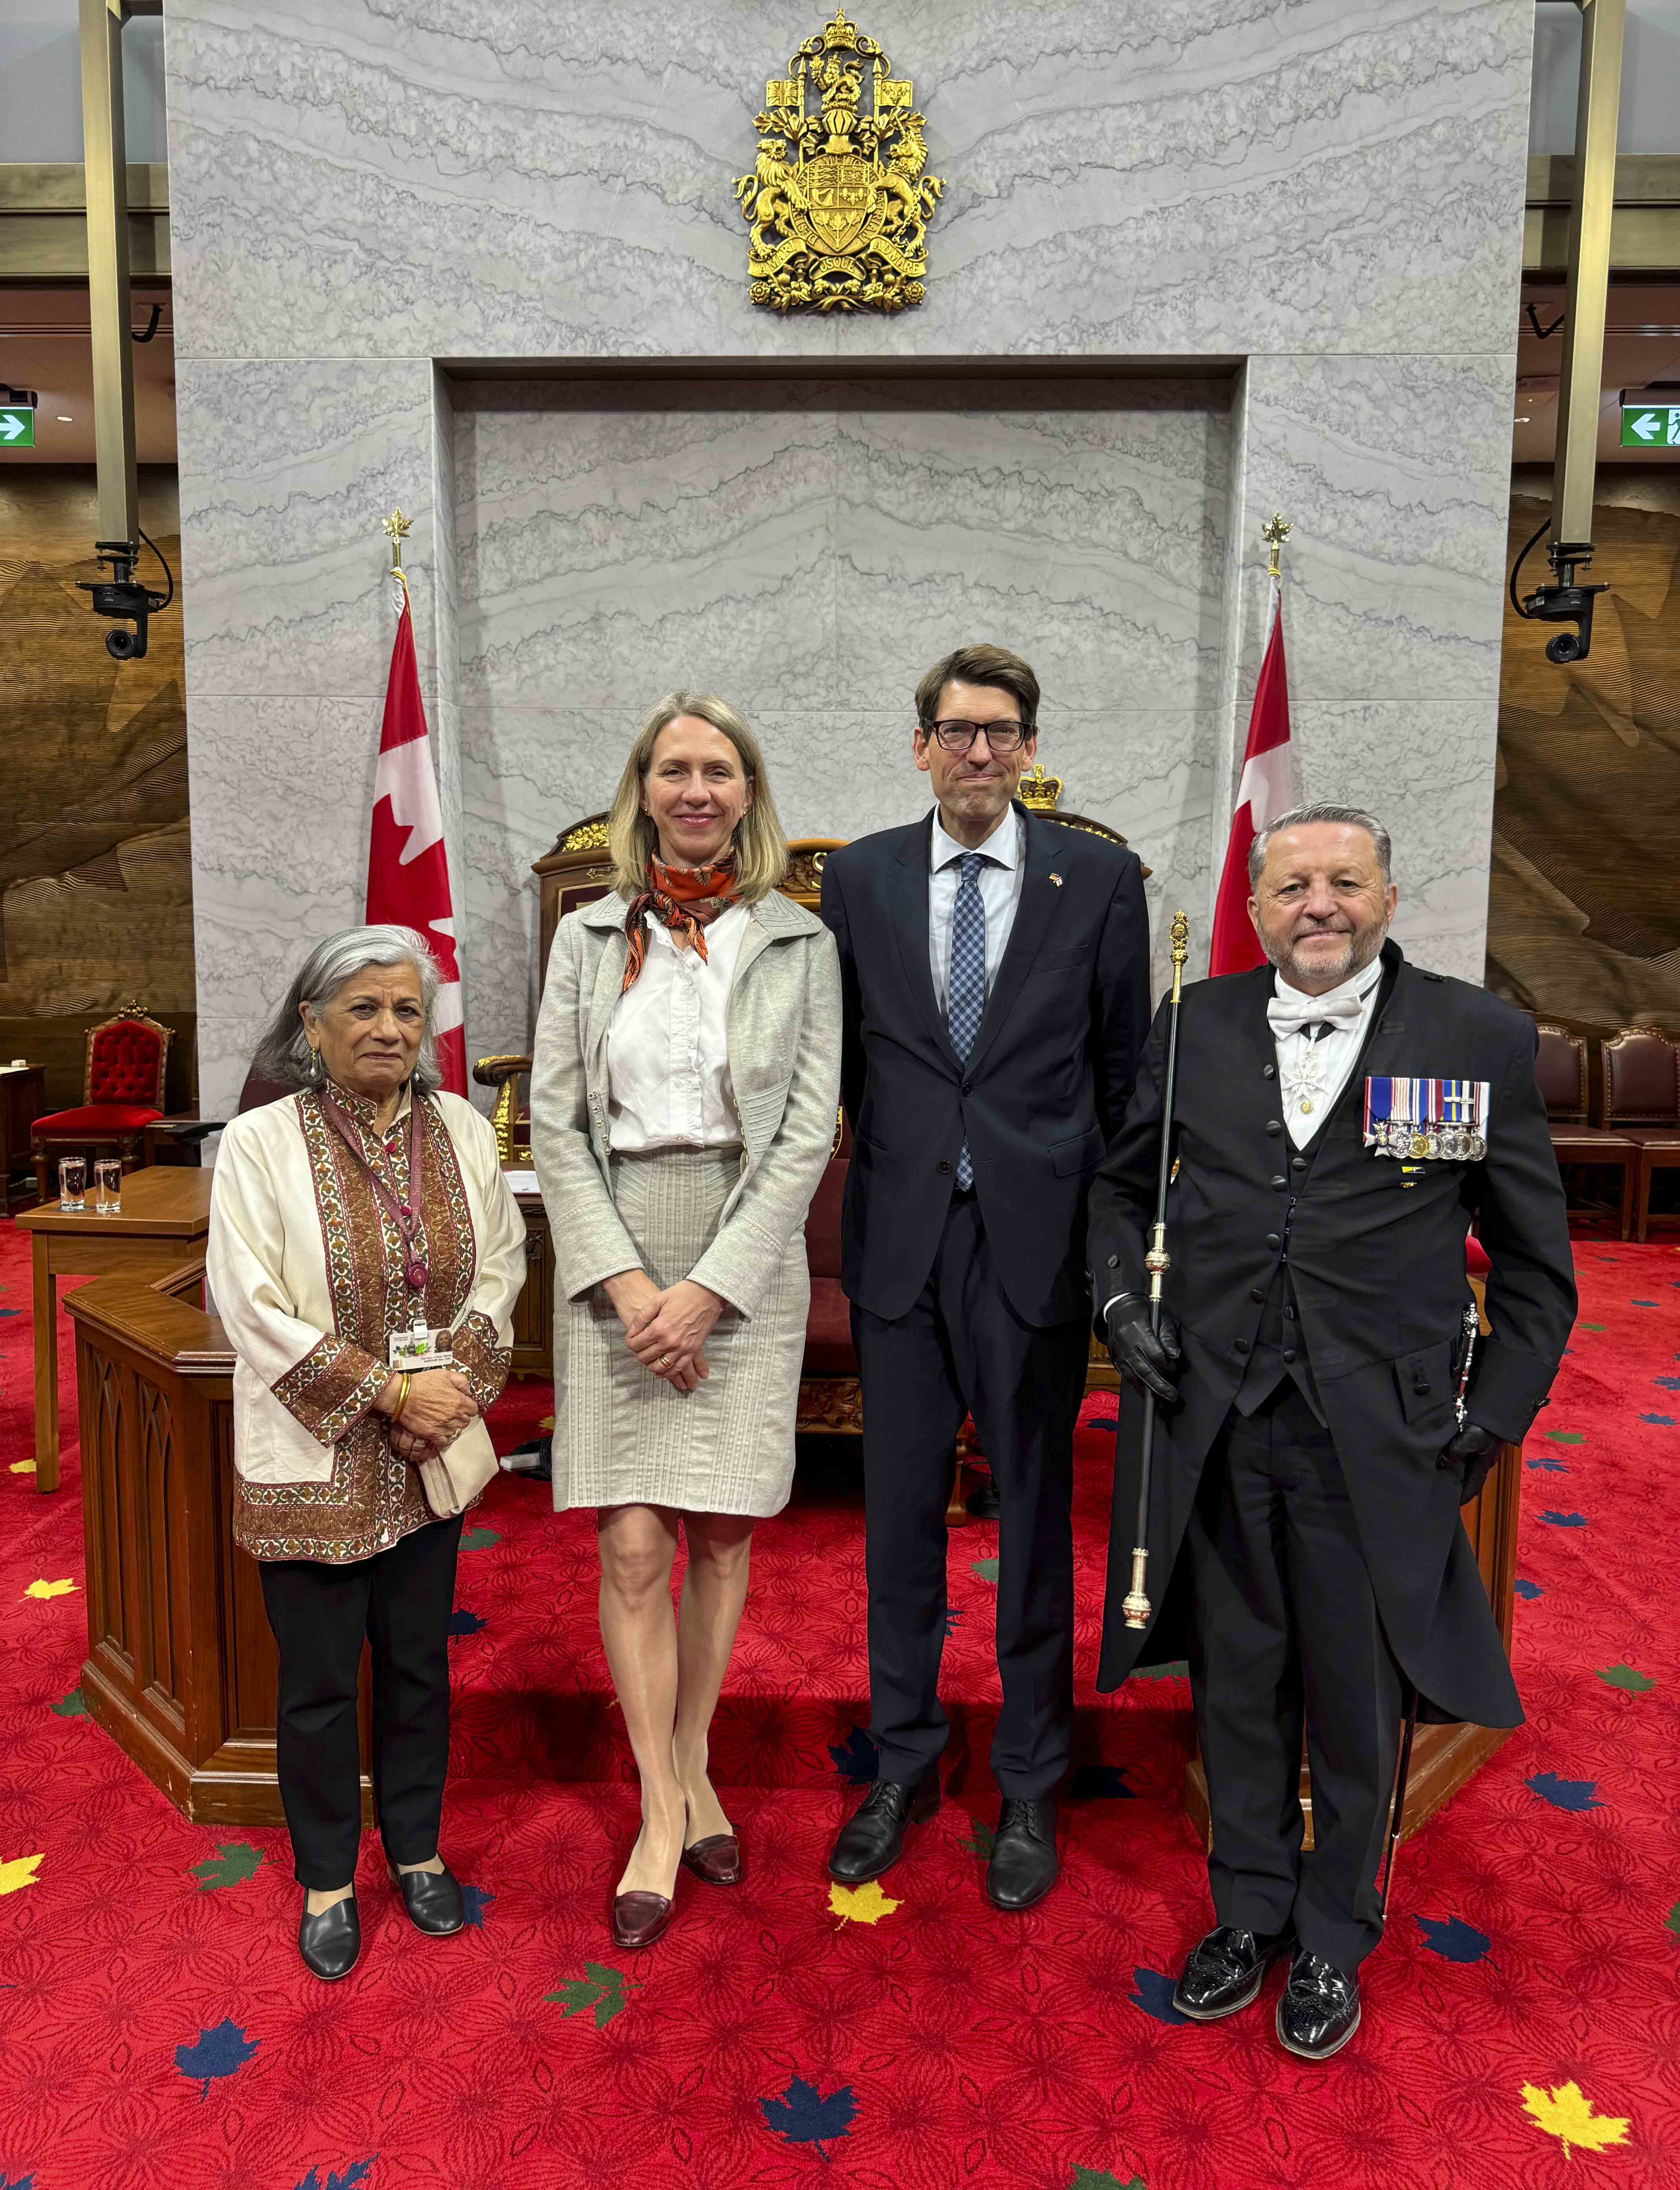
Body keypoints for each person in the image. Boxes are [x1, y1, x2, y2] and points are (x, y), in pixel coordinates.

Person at [1091, 804, 1576, 2060]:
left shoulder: (1474, 1035)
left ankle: (1330, 1935)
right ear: (1254, 908)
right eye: (1293, 884)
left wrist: (1493, 1415)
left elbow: (1534, 1266)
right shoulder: (1194, 1023)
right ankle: (1246, 1911)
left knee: (1356, 1700)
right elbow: (1117, 1187)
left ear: (1385, 897)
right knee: (1240, 1678)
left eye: (1344, 881)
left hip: (1386, 1431)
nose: (1319, 904)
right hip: (1219, 1413)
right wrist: (1116, 1304)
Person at [819, 644, 1151, 1910]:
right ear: (920, 745)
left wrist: (1103, 1232)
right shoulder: (860, 876)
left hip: (1036, 1243)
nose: (976, 752)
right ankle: (900, 1765)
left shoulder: (1097, 876)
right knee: (895, 1526)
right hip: (902, 1239)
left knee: (1029, 1527)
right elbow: (845, 1061)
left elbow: (1122, 1074)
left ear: (1029, 748)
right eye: (955, 731)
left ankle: (1028, 1781)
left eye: (1000, 732)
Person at [529, 691, 842, 1952]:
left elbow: (810, 1127)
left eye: (718, 770)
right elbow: (552, 1121)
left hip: (744, 1246)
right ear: (642, 788)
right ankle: (664, 1806)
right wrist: (622, 1284)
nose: (696, 790)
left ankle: (694, 1761)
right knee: (630, 1547)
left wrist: (713, 1287)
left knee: (716, 1537)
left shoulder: (798, 943)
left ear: (747, 794)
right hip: (617, 1242)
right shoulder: (586, 938)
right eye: (674, 770)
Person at [206, 924, 527, 1982]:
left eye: (405, 1011)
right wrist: (387, 1390)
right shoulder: (259, 1144)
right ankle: (328, 1879)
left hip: (429, 1457)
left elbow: (503, 1266)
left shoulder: (465, 1132)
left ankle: (420, 1851)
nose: (390, 1030)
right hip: (314, 1451)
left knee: (416, 1668)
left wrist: (446, 1399)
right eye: (363, 1009)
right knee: (315, 1686)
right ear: (312, 1024)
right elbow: (245, 1305)